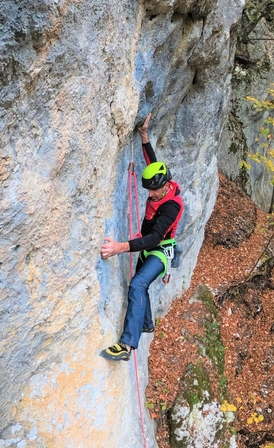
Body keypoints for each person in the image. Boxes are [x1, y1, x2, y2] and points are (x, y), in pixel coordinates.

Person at [100, 113, 184, 361]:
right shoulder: (160, 182)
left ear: (166, 185)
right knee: (140, 286)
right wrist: (144, 136)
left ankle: (126, 347)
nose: (151, 195)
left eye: (154, 191)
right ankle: (146, 323)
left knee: (137, 284)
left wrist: (119, 247)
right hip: (148, 247)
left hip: (159, 251)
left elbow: (154, 239)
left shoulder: (172, 206)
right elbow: (152, 162)